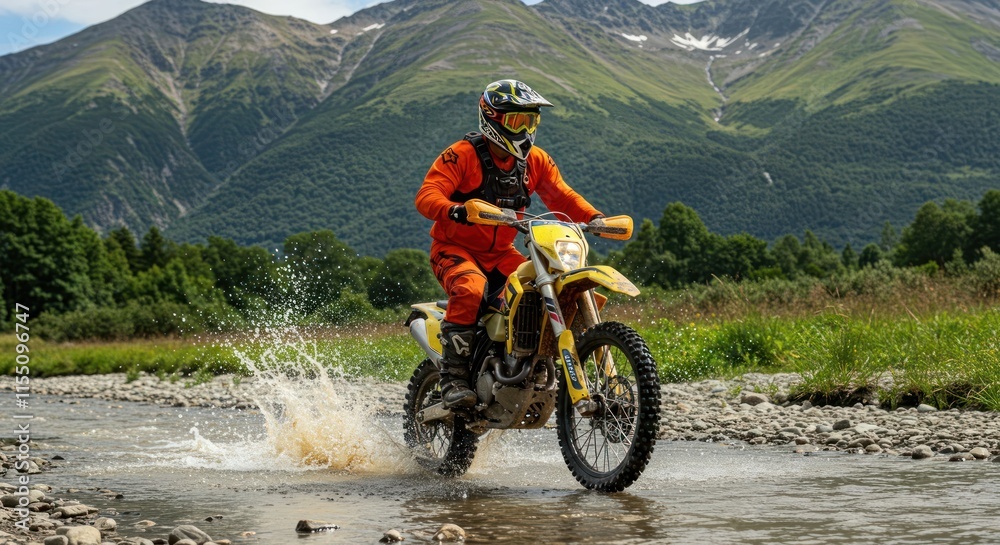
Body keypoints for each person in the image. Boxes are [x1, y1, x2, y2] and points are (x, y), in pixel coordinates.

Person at [415, 79, 605, 408]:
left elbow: (562, 195)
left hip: (502, 253)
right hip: (454, 250)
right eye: (518, 121)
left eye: (531, 121)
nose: (526, 130)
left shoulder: (536, 162)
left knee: (550, 289)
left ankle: (536, 363)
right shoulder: (462, 155)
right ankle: (454, 378)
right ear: (492, 118)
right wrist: (456, 210)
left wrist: (595, 218)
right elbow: (427, 195)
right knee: (472, 288)